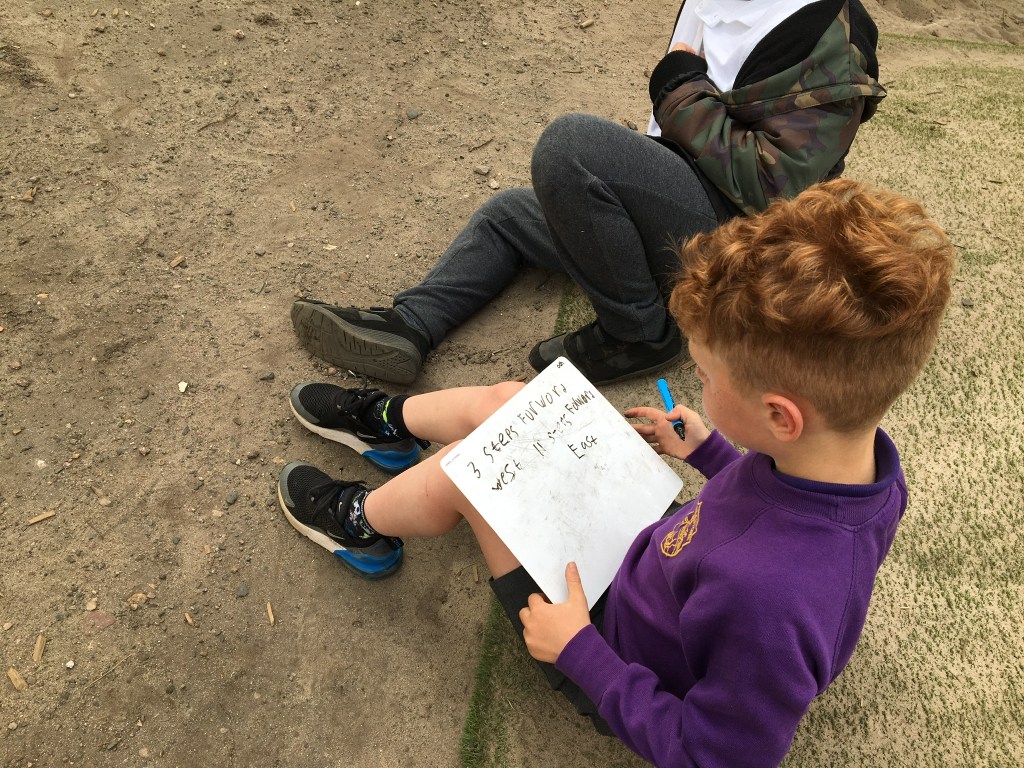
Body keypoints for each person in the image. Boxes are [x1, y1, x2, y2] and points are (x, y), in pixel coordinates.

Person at [277, 179, 954, 765]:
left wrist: (580, 652)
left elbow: (713, 755)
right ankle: (389, 422)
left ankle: (360, 524)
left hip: (604, 636)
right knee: (514, 402)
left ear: (781, 417)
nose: (699, 383)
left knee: (471, 473)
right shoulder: (865, 465)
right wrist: (710, 453)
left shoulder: (770, 603)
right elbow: (771, 505)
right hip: (658, 558)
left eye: (706, 374)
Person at [290, 0, 886, 386]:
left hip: (742, 249)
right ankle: (411, 324)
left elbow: (777, 187)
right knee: (509, 214)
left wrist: (680, 90)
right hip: (688, 202)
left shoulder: (833, 30)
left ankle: (639, 334)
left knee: (570, 147)